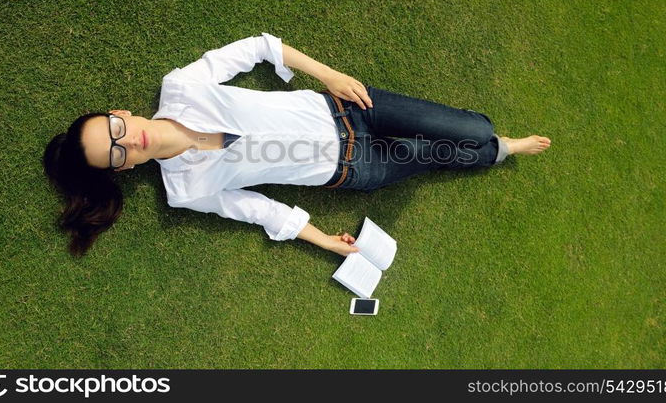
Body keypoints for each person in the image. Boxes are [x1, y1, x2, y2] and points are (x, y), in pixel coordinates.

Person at [43, 33, 551, 258]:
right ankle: (502, 150)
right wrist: (325, 240)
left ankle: (488, 137)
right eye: (116, 153)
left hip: (348, 109)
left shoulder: (182, 86)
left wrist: (330, 75)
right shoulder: (185, 189)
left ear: (120, 114)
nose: (128, 141)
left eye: (115, 130)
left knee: (465, 127)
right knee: (446, 154)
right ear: (123, 168)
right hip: (355, 168)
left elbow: (259, 47)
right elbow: (256, 210)